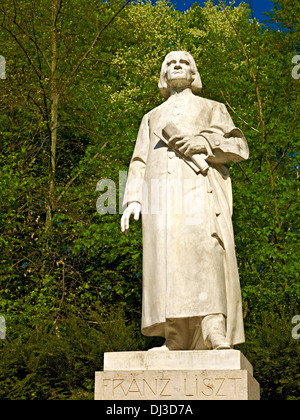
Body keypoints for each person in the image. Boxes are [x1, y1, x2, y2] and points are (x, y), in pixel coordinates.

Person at [121, 51, 249, 351]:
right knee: (165, 263)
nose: (177, 65)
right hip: (160, 200)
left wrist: (204, 142)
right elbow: (139, 160)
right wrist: (132, 200)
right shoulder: (151, 117)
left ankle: (213, 328)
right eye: (170, 63)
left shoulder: (213, 108)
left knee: (205, 253)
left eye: (184, 62)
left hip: (199, 190)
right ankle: (175, 335)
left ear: (194, 74)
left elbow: (239, 146)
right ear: (163, 76)